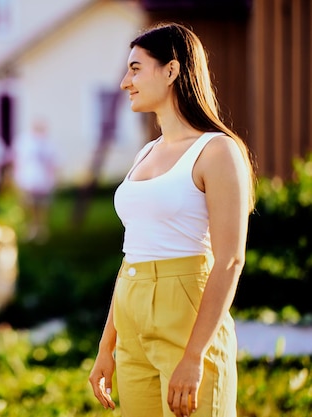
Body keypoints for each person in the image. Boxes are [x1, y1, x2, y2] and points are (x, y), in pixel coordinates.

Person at [88, 23, 255, 417]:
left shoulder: (217, 151)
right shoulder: (145, 152)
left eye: (135, 68)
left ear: (171, 70)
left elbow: (230, 259)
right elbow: (133, 254)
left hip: (188, 314)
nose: (126, 81)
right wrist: (106, 345)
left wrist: (195, 356)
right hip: (132, 314)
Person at [10, 119, 58, 240]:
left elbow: (53, 163)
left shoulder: (48, 143)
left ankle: (41, 229)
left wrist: (52, 179)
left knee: (42, 206)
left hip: (43, 182)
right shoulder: (24, 141)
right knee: (28, 206)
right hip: (27, 180)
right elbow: (17, 159)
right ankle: (30, 228)